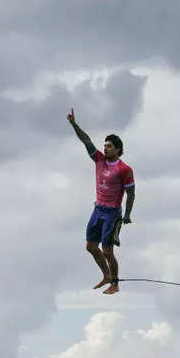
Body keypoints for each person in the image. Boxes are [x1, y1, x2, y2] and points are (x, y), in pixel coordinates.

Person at [67, 108, 135, 295]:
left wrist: (127, 215)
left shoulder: (124, 169)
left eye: (110, 146)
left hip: (112, 214)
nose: (105, 148)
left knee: (107, 251)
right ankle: (106, 275)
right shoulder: (99, 160)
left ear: (119, 150)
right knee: (90, 246)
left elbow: (131, 193)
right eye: (105, 145)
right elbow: (86, 140)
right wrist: (74, 124)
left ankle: (115, 283)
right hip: (98, 209)